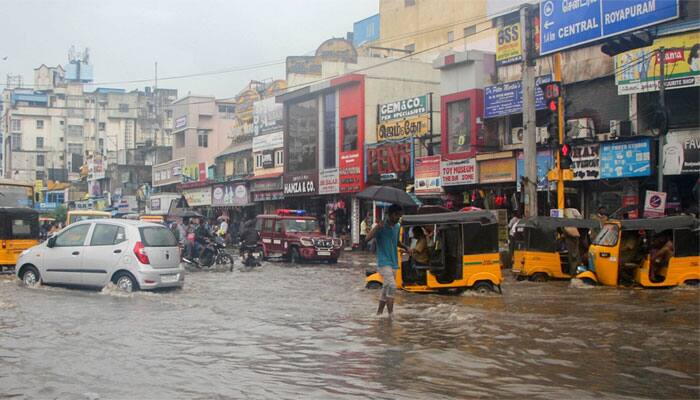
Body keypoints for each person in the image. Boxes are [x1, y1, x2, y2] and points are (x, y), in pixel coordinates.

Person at [365, 204, 410, 318]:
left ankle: (379, 314)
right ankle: (391, 316)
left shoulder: (397, 226)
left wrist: (406, 248)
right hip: (384, 263)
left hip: (394, 262)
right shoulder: (380, 227)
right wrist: (376, 228)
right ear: (390, 214)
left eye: (399, 216)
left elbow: (396, 242)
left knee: (386, 289)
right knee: (392, 286)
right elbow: (367, 239)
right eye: (396, 215)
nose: (398, 218)